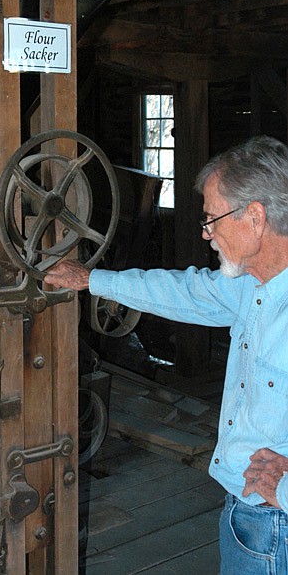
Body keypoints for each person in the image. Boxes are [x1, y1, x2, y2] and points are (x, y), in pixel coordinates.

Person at [44, 134, 288, 574]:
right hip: (246, 510)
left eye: (213, 218)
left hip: (275, 524)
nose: (206, 233)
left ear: (255, 217)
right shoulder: (252, 284)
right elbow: (185, 292)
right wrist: (91, 280)